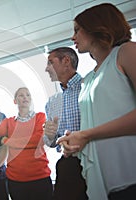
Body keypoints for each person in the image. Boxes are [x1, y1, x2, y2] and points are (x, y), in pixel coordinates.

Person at [57, 3, 136, 200]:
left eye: (77, 30)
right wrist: (74, 141)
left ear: (97, 26)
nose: (72, 37)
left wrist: (86, 134)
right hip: (102, 181)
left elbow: (91, 131)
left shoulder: (126, 52)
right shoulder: (89, 78)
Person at [44, 47, 88, 200]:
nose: (46, 69)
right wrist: (49, 136)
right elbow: (50, 142)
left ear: (66, 61)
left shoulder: (89, 87)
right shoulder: (52, 102)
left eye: (50, 62)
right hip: (67, 166)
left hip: (92, 160)